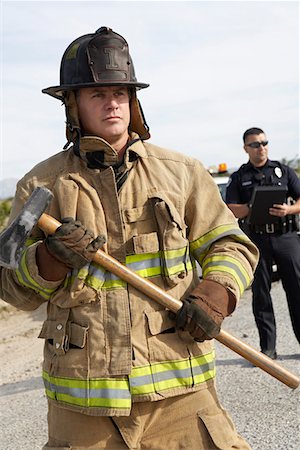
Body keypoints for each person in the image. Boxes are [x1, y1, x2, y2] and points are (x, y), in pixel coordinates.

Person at [0, 27, 259, 450]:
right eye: (97, 94)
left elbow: (230, 244)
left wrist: (214, 294)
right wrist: (49, 261)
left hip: (181, 392)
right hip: (83, 408)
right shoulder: (40, 186)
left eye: (121, 92)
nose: (113, 102)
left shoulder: (182, 172)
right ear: (73, 104)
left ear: (133, 100)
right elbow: (10, 285)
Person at [226, 127, 300, 360]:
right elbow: (229, 208)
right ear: (246, 148)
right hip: (257, 239)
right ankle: (268, 349)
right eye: (256, 144)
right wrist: (251, 208)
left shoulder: (283, 171)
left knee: (297, 290)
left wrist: (289, 209)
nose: (262, 148)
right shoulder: (240, 177)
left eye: (264, 142)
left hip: (286, 237)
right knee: (261, 294)